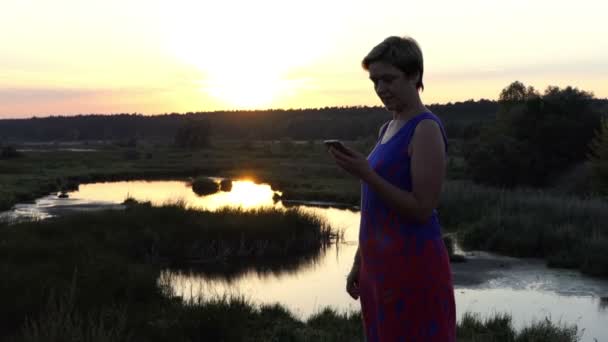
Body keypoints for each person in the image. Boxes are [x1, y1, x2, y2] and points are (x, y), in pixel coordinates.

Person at [328, 36, 456, 341]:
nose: (380, 88)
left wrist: (366, 174)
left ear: (414, 76)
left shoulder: (425, 128)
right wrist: (360, 262)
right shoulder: (387, 127)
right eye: (375, 81)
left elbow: (422, 207)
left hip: (413, 268)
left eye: (389, 79)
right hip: (379, 268)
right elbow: (376, 208)